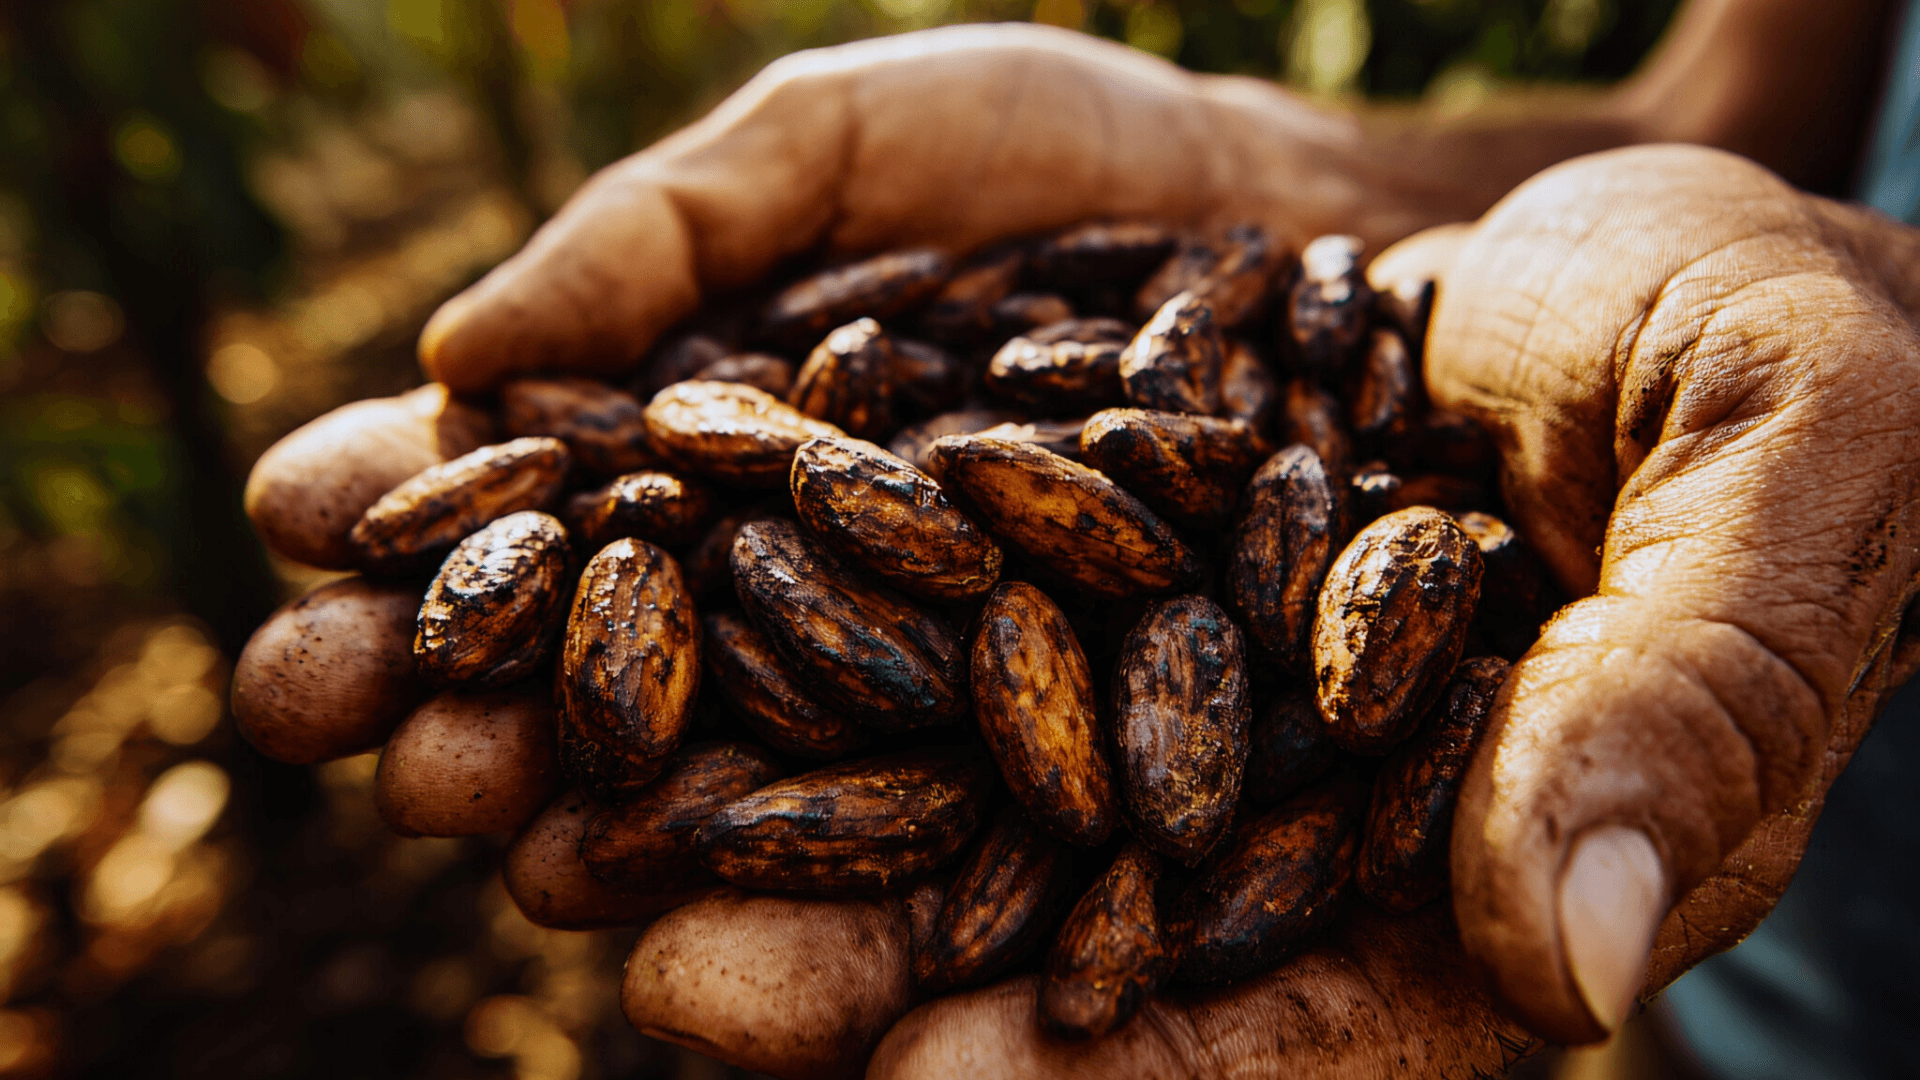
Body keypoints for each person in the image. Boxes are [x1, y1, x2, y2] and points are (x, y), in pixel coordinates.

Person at [409, 1, 1920, 1075]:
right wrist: (1350, 180)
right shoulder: (889, 514)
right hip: (1747, 976)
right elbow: (1716, 111)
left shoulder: (1253, 547)